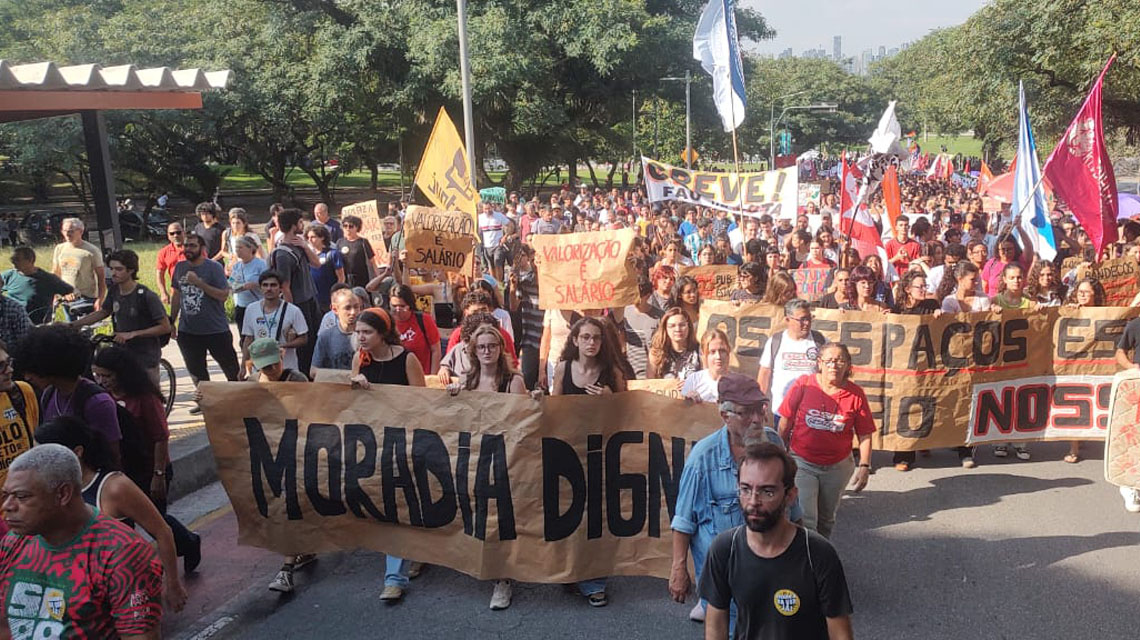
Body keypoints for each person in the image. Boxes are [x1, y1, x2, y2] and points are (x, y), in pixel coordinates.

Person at [671, 374, 802, 624]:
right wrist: (678, 570)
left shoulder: (773, 442)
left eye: (759, 409)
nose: (756, 419)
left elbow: (793, 507)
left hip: (773, 576)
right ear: (725, 416)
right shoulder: (702, 459)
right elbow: (684, 520)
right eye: (746, 412)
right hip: (726, 586)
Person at [0, 445, 164, 637]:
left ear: (63, 494)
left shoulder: (122, 553)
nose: (7, 506)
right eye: (6, 495)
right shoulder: (13, 543)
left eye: (21, 497)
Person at [698, 442, 855, 640]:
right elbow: (715, 624)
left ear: (790, 495)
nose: (754, 501)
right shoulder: (724, 549)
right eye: (745, 489)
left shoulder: (817, 553)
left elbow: (840, 633)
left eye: (767, 492)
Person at [33, 417, 188, 612]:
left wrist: (172, 584)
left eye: (44, 456)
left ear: (77, 453)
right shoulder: (53, 491)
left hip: (126, 587)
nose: (37, 464)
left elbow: (162, 531)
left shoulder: (114, 487)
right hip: (84, 595)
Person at [446, 325, 526, 609]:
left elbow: (522, 422)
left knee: (501, 519)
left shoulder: (513, 381)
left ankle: (502, 579)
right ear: (474, 351)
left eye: (492, 345)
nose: (487, 351)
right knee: (480, 515)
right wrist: (454, 395)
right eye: (481, 347)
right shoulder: (468, 381)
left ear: (500, 348)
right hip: (477, 457)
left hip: (506, 458)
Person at [349, 308, 425, 602]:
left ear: (382, 333)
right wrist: (354, 388)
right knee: (393, 508)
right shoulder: (360, 360)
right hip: (374, 445)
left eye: (367, 332)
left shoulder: (406, 359)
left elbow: (423, 403)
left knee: (404, 505)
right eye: (358, 332)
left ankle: (401, 569)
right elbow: (353, 408)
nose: (361, 338)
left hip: (406, 442)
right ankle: (402, 567)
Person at [551, 317, 627, 607]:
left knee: (596, 519)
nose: (591, 342)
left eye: (596, 337)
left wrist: (611, 399)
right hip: (568, 453)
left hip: (601, 454)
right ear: (575, 341)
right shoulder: (562, 370)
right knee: (570, 515)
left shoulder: (613, 372)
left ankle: (594, 581)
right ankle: (571, 571)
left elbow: (631, 416)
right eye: (585, 337)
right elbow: (553, 410)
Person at [778, 342, 873, 538]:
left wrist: (865, 466)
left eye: (840, 360)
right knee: (807, 518)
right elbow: (785, 420)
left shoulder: (856, 394)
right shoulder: (803, 385)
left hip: (837, 467)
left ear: (848, 365)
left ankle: (823, 556)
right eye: (829, 360)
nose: (834, 365)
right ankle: (808, 561)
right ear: (819, 363)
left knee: (826, 519)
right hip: (803, 463)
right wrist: (780, 453)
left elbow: (864, 433)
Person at [14, 326, 122, 465]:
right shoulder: (49, 394)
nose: (27, 377)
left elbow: (113, 456)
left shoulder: (97, 402)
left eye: (33, 370)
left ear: (50, 366)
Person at [71, 249, 171, 384]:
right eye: (111, 268)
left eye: (119, 269)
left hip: (145, 354)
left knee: (148, 395)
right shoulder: (114, 291)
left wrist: (133, 334)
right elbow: (104, 312)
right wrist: (74, 325)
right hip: (122, 351)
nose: (113, 273)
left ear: (130, 271)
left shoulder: (146, 295)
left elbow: (165, 327)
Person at [172, 232, 241, 401]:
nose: (188, 249)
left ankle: (240, 401)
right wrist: (171, 321)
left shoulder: (213, 268)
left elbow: (223, 295)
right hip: (188, 331)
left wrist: (199, 283)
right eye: (186, 245)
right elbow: (176, 295)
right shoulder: (180, 267)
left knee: (231, 369)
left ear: (202, 249)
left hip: (215, 330)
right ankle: (206, 403)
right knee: (197, 373)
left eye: (192, 246)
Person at [889, 271, 942, 471]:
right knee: (905, 408)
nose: (924, 289)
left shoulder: (931, 306)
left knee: (927, 404)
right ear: (907, 289)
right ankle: (903, 455)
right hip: (904, 368)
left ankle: (924, 442)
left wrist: (939, 316)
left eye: (925, 286)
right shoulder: (897, 310)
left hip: (927, 365)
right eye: (919, 286)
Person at [269, 208, 323, 375]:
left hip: (311, 299)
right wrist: (291, 314)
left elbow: (317, 264)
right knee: (305, 346)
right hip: (299, 304)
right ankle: (304, 377)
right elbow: (285, 286)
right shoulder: (283, 254)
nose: (303, 225)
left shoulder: (299, 245)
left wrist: (305, 246)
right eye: (300, 222)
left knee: (315, 340)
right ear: (293, 225)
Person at [758, 299, 826, 429]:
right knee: (782, 447)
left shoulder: (820, 341)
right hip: (781, 411)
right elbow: (764, 372)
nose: (807, 323)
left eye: (809, 318)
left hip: (811, 413)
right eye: (802, 319)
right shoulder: (775, 341)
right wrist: (760, 402)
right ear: (787, 320)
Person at [1062, 278, 1106, 464]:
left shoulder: (1105, 314)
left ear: (1095, 294)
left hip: (1098, 365)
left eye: (1086, 292)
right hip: (1074, 365)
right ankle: (1074, 448)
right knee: (1075, 402)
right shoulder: (1070, 310)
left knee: (1097, 402)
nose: (1082, 295)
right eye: (1079, 291)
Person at [240, 270, 309, 378]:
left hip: (286, 369)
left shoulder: (293, 310)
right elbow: (248, 339)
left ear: (280, 288)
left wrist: (281, 346)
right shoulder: (251, 309)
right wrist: (243, 366)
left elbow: (303, 338)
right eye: (265, 285)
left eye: (273, 285)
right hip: (261, 369)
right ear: (260, 288)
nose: (269, 288)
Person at [0, 339, 38, 526]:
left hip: (29, 511)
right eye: (1, 366)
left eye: (9, 362)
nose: (9, 370)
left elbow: (35, 444)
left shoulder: (22, 392)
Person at [50, 217, 105, 319]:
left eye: (71, 231)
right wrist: (54, 296)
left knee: (85, 330)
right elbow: (55, 274)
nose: (67, 234)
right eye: (64, 231)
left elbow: (101, 278)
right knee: (70, 329)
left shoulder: (92, 251)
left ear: (80, 231)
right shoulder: (59, 249)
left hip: (86, 298)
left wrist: (100, 299)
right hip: (66, 297)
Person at [2, 246, 73, 324]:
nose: (13, 262)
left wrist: (69, 296)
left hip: (35, 325)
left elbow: (72, 292)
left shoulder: (48, 279)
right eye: (12, 259)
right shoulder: (9, 275)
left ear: (30, 260)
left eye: (17, 259)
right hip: (10, 321)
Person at [505, 245, 543, 389]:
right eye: (533, 260)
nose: (535, 264)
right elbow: (514, 307)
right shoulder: (525, 280)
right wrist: (513, 289)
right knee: (527, 382)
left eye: (537, 261)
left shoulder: (554, 284)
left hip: (550, 342)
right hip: (530, 341)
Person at [616, 277, 664, 380]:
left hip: (652, 374)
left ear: (648, 296)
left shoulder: (660, 316)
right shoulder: (624, 313)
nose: (635, 300)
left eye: (638, 297)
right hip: (630, 373)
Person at [389, 284, 441, 375]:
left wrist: (433, 376)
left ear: (410, 305)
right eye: (394, 306)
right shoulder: (388, 322)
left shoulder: (424, 320)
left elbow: (436, 350)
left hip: (423, 375)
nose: (398, 310)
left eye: (402, 306)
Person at [312, 287, 362, 376]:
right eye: (347, 308)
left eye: (356, 307)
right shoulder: (326, 337)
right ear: (335, 309)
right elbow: (313, 371)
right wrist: (345, 376)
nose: (353, 312)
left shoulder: (366, 335)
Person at [647, 307, 701, 381]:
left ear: (689, 327)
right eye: (672, 326)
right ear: (665, 328)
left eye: (682, 325)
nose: (677, 329)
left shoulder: (699, 350)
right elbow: (650, 383)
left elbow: (708, 380)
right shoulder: (656, 352)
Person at [681, 328, 732, 403]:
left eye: (722, 351)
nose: (718, 356)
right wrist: (688, 400)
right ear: (704, 354)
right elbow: (681, 412)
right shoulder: (694, 380)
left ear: (728, 351)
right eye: (712, 352)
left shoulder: (739, 384)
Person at [228, 235, 267, 332]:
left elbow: (269, 282)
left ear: (251, 248)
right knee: (244, 336)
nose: (237, 250)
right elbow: (231, 282)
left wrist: (255, 284)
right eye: (236, 247)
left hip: (258, 305)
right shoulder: (236, 266)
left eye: (240, 247)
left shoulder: (261, 264)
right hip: (241, 306)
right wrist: (232, 286)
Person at [306, 223, 346, 311]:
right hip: (315, 298)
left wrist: (336, 295)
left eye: (313, 237)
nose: (310, 240)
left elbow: (341, 277)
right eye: (308, 238)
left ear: (322, 237)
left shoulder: (332, 254)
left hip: (330, 298)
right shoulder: (309, 255)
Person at [337, 214, 379, 288]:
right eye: (345, 226)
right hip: (345, 278)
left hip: (361, 278)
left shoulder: (363, 242)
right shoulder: (340, 242)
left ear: (357, 228)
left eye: (351, 226)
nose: (347, 229)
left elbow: (372, 262)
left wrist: (378, 277)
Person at [156, 221, 187, 305]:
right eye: (172, 233)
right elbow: (160, 274)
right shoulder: (164, 252)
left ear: (184, 233)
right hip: (176, 291)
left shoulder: (194, 248)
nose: (175, 235)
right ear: (168, 236)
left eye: (178, 232)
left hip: (196, 290)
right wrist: (163, 292)